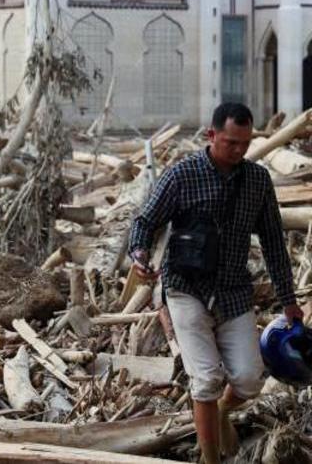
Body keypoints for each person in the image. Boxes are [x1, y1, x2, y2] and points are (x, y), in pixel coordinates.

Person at [128, 102, 302, 464]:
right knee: (205, 379)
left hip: (234, 292)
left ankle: (222, 411)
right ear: (211, 136)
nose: (239, 151)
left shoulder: (257, 181)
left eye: (245, 143)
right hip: (185, 289)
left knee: (249, 379)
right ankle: (209, 459)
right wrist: (139, 255)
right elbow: (145, 222)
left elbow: (273, 242)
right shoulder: (182, 175)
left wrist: (289, 300)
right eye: (231, 143)